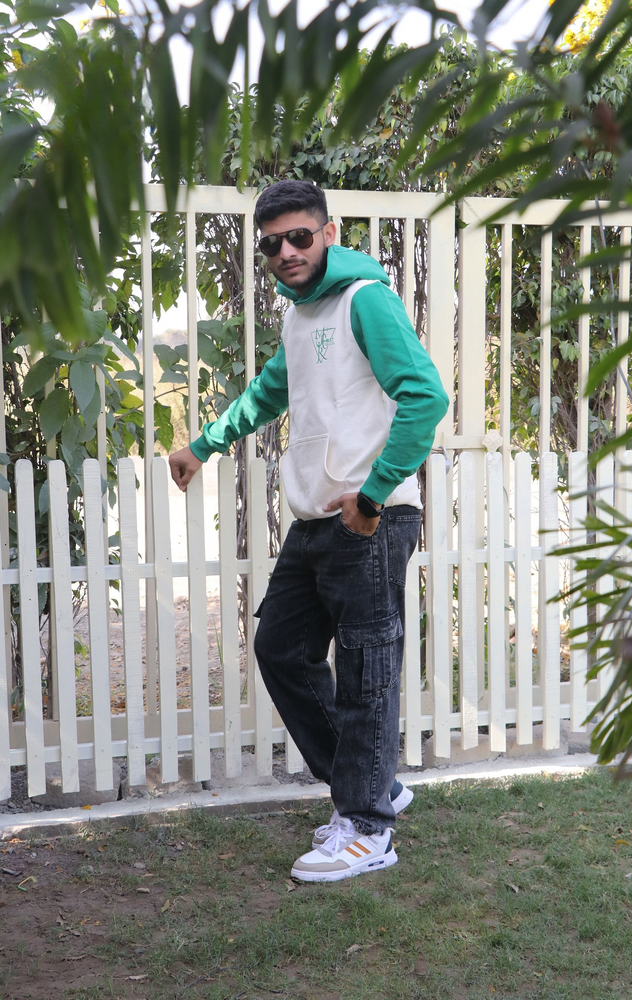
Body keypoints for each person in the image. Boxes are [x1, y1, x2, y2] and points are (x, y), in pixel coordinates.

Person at [169, 179, 449, 882]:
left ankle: (367, 829)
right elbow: (270, 392)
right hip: (318, 516)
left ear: (328, 233)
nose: (286, 252)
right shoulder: (300, 316)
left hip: (369, 517)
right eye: (272, 244)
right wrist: (202, 445)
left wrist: (374, 495)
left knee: (365, 671)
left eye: (299, 236)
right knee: (282, 648)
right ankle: (370, 786)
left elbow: (425, 395)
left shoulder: (365, 300)